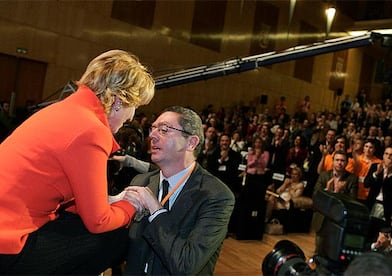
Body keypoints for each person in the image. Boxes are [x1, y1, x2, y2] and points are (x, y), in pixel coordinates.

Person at [0, 50, 155, 274]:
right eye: (136, 106)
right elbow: (98, 221)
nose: (132, 117)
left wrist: (111, 200)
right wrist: (132, 205)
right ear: (120, 101)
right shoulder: (91, 130)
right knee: (115, 238)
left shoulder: (63, 110)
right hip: (9, 246)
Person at [124, 106, 235, 275]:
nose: (152, 135)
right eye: (153, 129)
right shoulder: (141, 181)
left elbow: (186, 265)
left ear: (191, 142)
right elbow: (121, 247)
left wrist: (155, 210)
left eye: (163, 130)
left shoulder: (216, 196)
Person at [364, 146, 392, 225]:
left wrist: (389, 174)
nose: (388, 157)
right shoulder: (375, 166)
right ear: (383, 155)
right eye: (386, 154)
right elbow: (366, 184)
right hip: (372, 204)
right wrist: (376, 174)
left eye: (391, 155)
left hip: (388, 207)